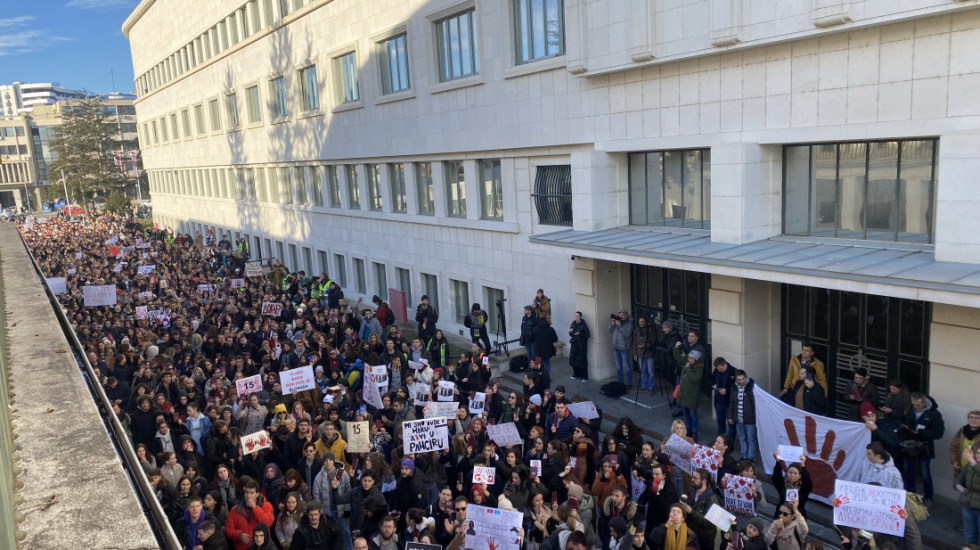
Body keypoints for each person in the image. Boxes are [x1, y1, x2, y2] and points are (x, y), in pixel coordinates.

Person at [901, 392, 945, 503]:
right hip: (909, 445)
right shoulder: (908, 409)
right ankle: (911, 496)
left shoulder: (934, 414)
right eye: (913, 404)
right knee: (908, 471)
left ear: (924, 402)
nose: (915, 407)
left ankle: (928, 496)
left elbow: (938, 433)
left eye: (918, 405)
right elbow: (900, 419)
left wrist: (921, 432)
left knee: (925, 473)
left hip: (924, 447)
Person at [225, 478, 275, 550]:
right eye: (247, 492)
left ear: (257, 494)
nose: (248, 495)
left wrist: (255, 508)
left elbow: (268, 523)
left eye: (252, 493)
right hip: (241, 547)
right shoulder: (235, 509)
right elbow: (228, 530)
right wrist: (238, 535)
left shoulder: (267, 506)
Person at [674, 349, 704, 442]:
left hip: (692, 396)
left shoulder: (699, 368)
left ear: (696, 359)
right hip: (684, 395)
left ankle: (694, 432)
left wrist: (688, 369)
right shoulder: (687, 364)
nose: (689, 359)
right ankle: (689, 430)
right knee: (686, 414)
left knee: (693, 415)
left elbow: (694, 379)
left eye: (692, 358)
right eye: (689, 357)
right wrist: (676, 348)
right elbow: (678, 358)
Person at [728, 370, 759, 461]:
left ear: (746, 378)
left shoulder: (751, 386)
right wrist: (730, 416)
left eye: (743, 379)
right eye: (739, 379)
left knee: (751, 440)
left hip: (750, 419)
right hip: (738, 418)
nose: (741, 381)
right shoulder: (734, 387)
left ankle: (750, 458)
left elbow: (756, 402)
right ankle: (744, 456)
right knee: (742, 438)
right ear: (736, 380)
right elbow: (732, 402)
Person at [956, 442, 980, 548]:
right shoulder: (970, 465)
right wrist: (959, 487)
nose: (978, 456)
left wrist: (973, 462)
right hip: (968, 504)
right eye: (978, 453)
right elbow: (958, 479)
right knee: (969, 536)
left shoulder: (973, 463)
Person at [712, 357, 737, 439]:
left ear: (725, 364)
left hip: (729, 403)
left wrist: (727, 390)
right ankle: (720, 441)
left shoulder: (734, 372)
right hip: (719, 401)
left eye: (721, 368)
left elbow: (737, 387)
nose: (719, 370)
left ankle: (730, 443)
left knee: (731, 425)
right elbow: (711, 380)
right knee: (720, 423)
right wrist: (714, 386)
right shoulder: (716, 371)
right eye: (718, 369)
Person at [951, 410, 980, 479]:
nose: (973, 420)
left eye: (977, 418)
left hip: (976, 473)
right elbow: (953, 447)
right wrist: (954, 461)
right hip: (961, 469)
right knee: (958, 486)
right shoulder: (962, 431)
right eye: (971, 417)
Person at [632, 316, 657, 395]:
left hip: (649, 354)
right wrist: (635, 354)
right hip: (640, 354)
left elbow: (653, 341)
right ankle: (644, 386)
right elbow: (634, 343)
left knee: (651, 372)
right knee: (642, 371)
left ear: (645, 322)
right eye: (640, 321)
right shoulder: (636, 330)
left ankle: (651, 387)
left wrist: (645, 346)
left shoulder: (650, 330)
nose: (641, 323)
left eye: (643, 321)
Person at [608, 311, 633, 387]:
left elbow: (627, 335)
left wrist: (620, 326)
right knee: (618, 366)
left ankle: (629, 383)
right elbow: (609, 330)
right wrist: (612, 324)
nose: (620, 317)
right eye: (620, 315)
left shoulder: (629, 324)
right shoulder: (617, 322)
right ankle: (620, 382)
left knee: (627, 366)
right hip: (616, 347)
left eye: (622, 315)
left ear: (626, 316)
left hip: (624, 348)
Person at [568, 312, 591, 381]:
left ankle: (584, 377)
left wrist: (580, 333)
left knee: (582, 361)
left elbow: (587, 335)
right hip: (574, 344)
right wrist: (570, 332)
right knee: (574, 360)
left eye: (577, 316)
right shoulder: (573, 323)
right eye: (575, 316)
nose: (576, 317)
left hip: (581, 346)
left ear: (580, 317)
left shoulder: (583, 325)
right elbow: (571, 334)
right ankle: (575, 375)